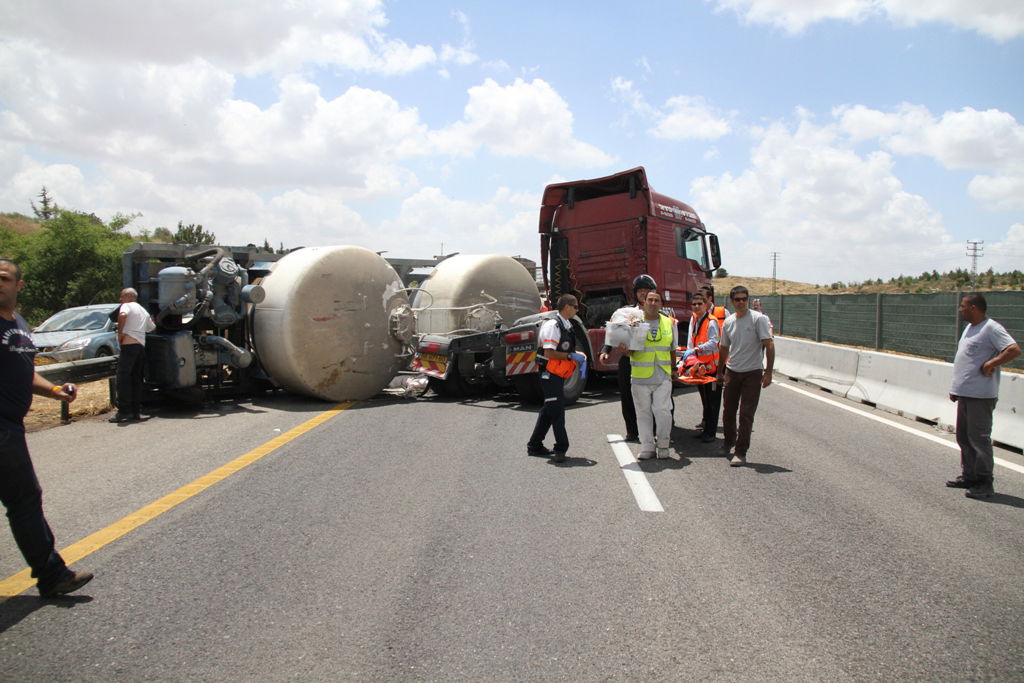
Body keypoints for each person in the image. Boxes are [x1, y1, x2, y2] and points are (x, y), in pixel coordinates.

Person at [0, 259, 94, 597]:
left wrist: (55, 391)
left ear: (18, 286)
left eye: (4, 278)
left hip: (11, 426)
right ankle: (52, 575)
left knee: (25, 500)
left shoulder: (19, 324)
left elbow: (23, 372)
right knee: (25, 500)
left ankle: (52, 575)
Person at [946, 293, 1020, 499]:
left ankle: (985, 482)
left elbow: (1013, 349)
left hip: (981, 395)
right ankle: (969, 476)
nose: (960, 309)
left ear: (974, 308)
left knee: (979, 439)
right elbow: (966, 360)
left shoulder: (991, 328)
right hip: (966, 393)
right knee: (964, 438)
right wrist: (956, 388)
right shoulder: (969, 328)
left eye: (963, 306)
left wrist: (991, 364)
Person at [716, 285, 774, 466]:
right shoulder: (728, 322)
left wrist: (768, 372)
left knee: (746, 414)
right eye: (737, 299)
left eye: (744, 299)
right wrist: (720, 371)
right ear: (732, 302)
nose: (741, 302)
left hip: (752, 373)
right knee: (728, 412)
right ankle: (728, 442)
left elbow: (769, 345)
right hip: (733, 371)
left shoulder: (758, 320)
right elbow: (724, 347)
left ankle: (741, 452)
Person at [527, 294, 584, 463]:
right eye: (575, 306)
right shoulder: (553, 325)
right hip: (549, 374)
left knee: (549, 409)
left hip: (558, 374)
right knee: (557, 410)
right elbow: (549, 353)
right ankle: (561, 447)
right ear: (566, 306)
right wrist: (570, 356)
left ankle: (534, 445)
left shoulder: (567, 325)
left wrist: (575, 355)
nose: (577, 309)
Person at [599, 274, 657, 442]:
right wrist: (606, 350)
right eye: (640, 290)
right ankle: (632, 431)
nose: (643, 294)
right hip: (628, 358)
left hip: (649, 360)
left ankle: (655, 429)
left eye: (647, 290)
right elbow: (613, 330)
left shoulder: (657, 313)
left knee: (652, 397)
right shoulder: (625, 312)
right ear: (635, 293)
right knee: (626, 394)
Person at [627, 290, 677, 460]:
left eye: (657, 300)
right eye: (650, 300)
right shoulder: (634, 322)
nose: (653, 303)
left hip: (662, 376)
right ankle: (647, 446)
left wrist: (674, 370)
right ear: (644, 302)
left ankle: (663, 445)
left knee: (662, 411)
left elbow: (672, 349)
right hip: (640, 376)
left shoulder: (668, 323)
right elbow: (630, 351)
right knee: (643, 413)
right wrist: (624, 349)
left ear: (661, 304)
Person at [110, 287, 155, 423]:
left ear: (129, 296)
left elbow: (122, 315)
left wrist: (120, 333)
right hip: (140, 346)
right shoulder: (142, 310)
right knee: (137, 379)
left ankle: (124, 411)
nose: (120, 299)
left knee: (123, 379)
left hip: (129, 344)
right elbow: (152, 327)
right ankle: (136, 410)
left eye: (122, 296)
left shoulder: (126, 306)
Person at [681, 292, 720, 443]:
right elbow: (692, 340)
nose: (696, 306)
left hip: (712, 368)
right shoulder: (695, 319)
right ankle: (706, 429)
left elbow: (714, 342)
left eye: (699, 303)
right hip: (700, 367)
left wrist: (697, 349)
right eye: (694, 304)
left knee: (712, 402)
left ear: (705, 305)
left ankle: (711, 433)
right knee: (705, 401)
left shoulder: (711, 321)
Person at [695, 285, 727, 433]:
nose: (697, 302)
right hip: (701, 364)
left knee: (713, 398)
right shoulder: (697, 317)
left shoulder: (721, 314)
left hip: (718, 363)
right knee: (704, 397)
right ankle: (706, 421)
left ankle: (711, 429)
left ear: (709, 299)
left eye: (701, 298)